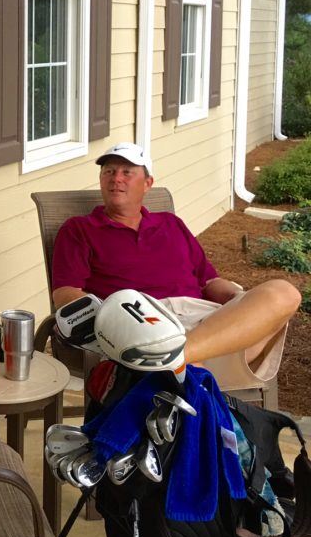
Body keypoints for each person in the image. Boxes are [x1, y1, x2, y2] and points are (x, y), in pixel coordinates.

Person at [51, 142, 299, 389]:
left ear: (147, 183)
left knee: (284, 293)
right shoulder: (80, 229)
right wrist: (112, 318)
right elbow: (65, 292)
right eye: (109, 171)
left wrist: (239, 299)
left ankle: (176, 359)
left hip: (204, 325)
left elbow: (209, 281)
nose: (116, 178)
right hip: (140, 324)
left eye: (127, 172)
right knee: (192, 369)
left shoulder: (171, 224)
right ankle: (184, 367)